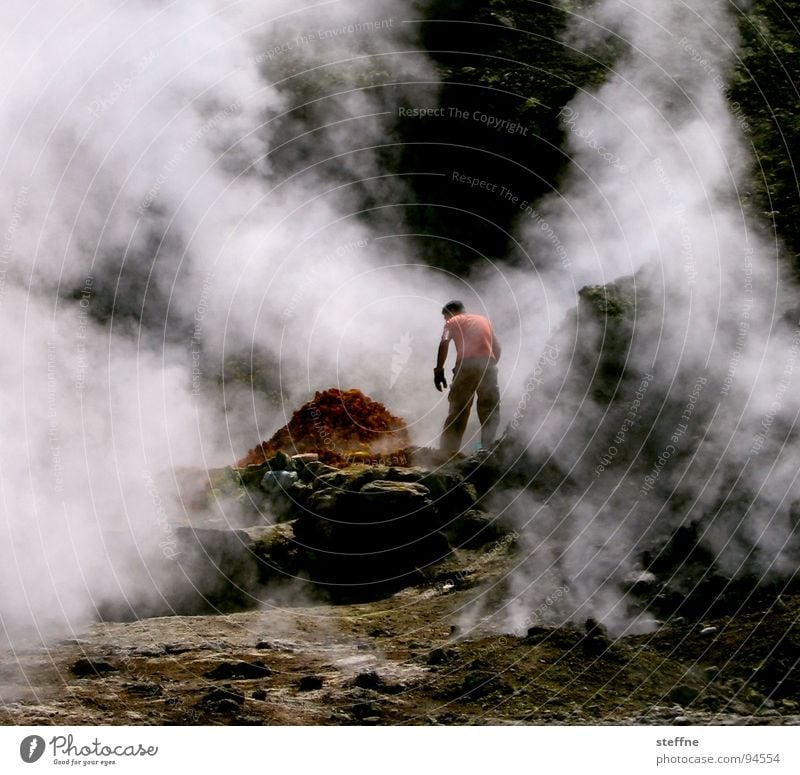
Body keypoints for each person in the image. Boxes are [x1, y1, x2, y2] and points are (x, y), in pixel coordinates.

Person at [434, 300, 501, 455]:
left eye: (444, 316)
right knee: (490, 409)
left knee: (459, 408)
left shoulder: (452, 321)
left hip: (466, 365)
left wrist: (438, 371)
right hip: (489, 365)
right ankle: (487, 450)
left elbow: (444, 343)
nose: (445, 320)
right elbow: (498, 347)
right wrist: (489, 365)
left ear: (451, 311)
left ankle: (447, 453)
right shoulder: (484, 321)